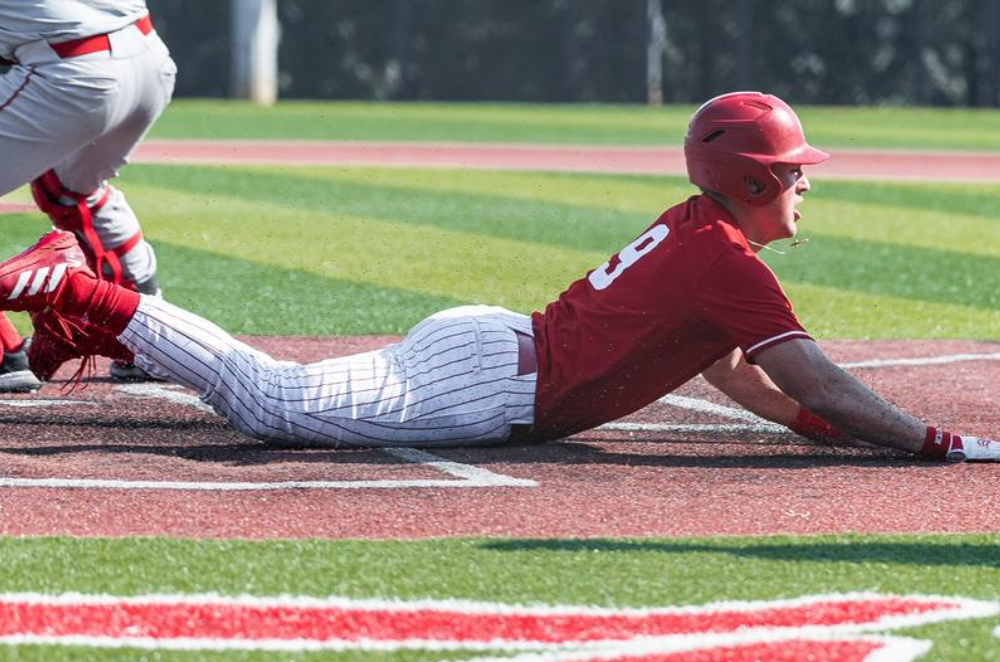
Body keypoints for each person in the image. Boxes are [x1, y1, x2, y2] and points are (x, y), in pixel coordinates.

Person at [1, 91, 997, 461]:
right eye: (793, 175)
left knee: (273, 398)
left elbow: (740, 375)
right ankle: (79, 290)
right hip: (491, 378)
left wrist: (824, 433)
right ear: (750, 177)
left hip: (491, 352)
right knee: (271, 402)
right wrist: (932, 441)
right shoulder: (725, 260)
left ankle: (86, 320)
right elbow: (813, 378)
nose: (803, 191)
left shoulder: (703, 234)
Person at [0, 0, 175, 391]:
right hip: (148, 58)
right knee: (68, 191)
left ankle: (5, 356)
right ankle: (150, 336)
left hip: (73, 72)